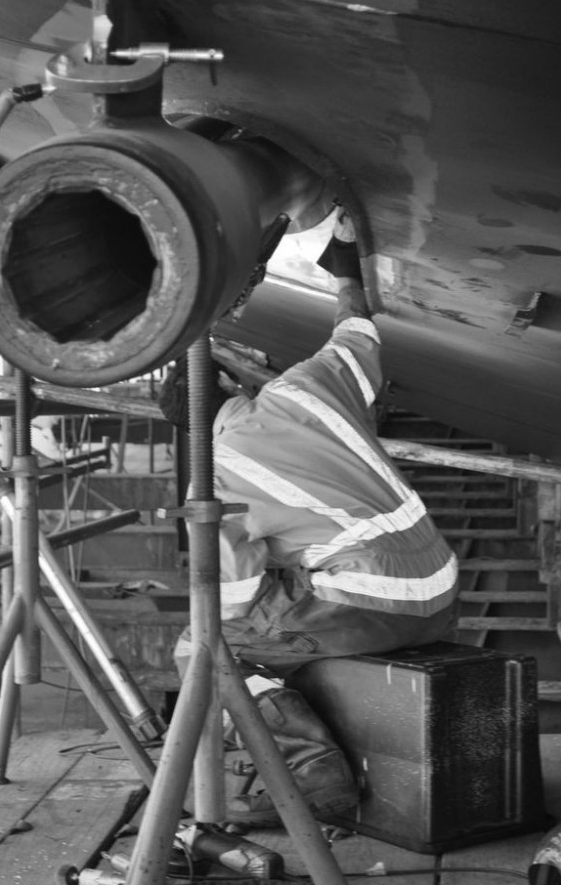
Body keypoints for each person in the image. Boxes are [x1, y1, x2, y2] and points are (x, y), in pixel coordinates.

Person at [159, 210, 459, 827]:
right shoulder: (306, 388)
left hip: (374, 608)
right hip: (444, 585)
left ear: (188, 427)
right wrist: (345, 267)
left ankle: (312, 772)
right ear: (229, 382)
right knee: (285, 600)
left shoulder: (211, 481)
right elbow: (358, 334)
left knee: (201, 649)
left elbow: (234, 603)